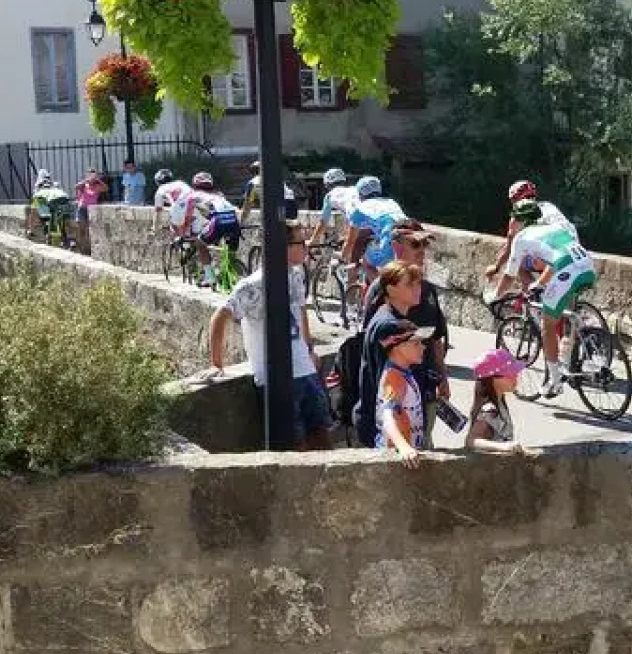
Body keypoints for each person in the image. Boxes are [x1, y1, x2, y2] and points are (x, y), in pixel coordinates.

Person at [206, 234, 334, 451]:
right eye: (301, 243)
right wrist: (216, 364)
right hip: (276, 380)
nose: (307, 247)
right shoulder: (252, 285)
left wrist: (309, 349)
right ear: (283, 247)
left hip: (306, 371)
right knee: (295, 446)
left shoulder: (295, 276)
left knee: (322, 437)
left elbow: (301, 311)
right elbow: (220, 316)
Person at [496, 198, 599, 400]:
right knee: (566, 311)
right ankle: (583, 339)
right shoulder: (555, 227)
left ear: (521, 221)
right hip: (587, 265)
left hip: (567, 270)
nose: (512, 224)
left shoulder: (522, 238)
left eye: (515, 220)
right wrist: (540, 284)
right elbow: (554, 261)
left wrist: (496, 295)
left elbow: (509, 275)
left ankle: (555, 381)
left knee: (547, 324)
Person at [355, 253, 449, 447]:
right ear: (391, 289)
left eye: (418, 283)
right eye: (410, 284)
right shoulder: (389, 326)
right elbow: (386, 386)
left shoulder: (393, 318)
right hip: (389, 428)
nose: (417, 289)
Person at [485, 180, 572, 286]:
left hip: (553, 259)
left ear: (516, 199)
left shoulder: (521, 212)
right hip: (572, 254)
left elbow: (509, 248)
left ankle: (533, 292)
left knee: (518, 262)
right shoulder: (548, 205)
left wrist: (496, 267)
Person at [369, 318, 433, 462]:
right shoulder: (394, 378)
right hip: (394, 457)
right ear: (397, 347)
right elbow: (387, 416)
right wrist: (404, 447)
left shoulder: (403, 372)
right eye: (416, 343)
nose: (423, 347)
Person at [465, 348, 529, 454]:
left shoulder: (499, 401)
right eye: (510, 373)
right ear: (493, 379)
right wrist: (504, 447)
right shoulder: (489, 410)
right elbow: (471, 440)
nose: (516, 376)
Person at [185, 171, 242, 287]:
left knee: (200, 243)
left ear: (194, 185)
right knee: (230, 250)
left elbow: (188, 217)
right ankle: (231, 272)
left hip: (218, 221)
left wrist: (185, 230)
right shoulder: (219, 194)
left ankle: (210, 278)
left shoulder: (192, 196)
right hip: (233, 219)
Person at [343, 176, 406, 280]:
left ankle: (381, 288)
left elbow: (351, 241)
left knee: (366, 263)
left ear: (360, 194)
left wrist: (343, 258)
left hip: (390, 241)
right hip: (407, 237)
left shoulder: (360, 209)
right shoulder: (391, 201)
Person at [310, 167, 359, 248]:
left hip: (358, 221)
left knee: (349, 250)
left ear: (328, 184)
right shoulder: (354, 189)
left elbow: (323, 221)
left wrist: (313, 240)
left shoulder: (329, 196)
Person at [27, 171, 74, 244]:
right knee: (64, 220)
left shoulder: (39, 194)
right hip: (65, 200)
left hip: (54, 204)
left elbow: (33, 212)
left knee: (52, 220)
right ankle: (70, 239)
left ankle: (52, 239)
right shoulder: (55, 188)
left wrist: (31, 229)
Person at [152, 169, 192, 235]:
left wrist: (154, 230)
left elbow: (157, 212)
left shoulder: (160, 190)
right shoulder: (181, 183)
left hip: (179, 211)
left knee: (177, 234)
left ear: (158, 182)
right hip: (194, 207)